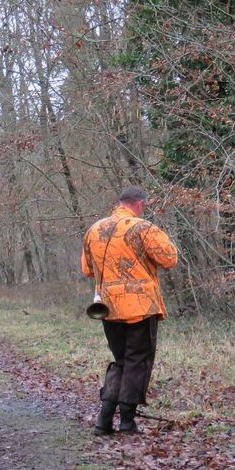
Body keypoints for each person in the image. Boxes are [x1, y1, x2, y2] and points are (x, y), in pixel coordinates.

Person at [81, 186, 179, 435]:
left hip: (107, 307)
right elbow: (170, 259)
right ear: (138, 204)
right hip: (141, 307)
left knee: (121, 360)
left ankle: (104, 420)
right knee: (137, 361)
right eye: (144, 206)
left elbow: (87, 270)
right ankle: (126, 421)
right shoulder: (142, 228)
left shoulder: (94, 230)